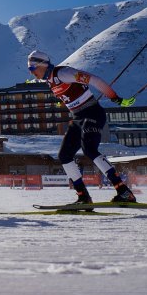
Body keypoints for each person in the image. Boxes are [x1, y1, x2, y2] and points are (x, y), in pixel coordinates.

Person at [27, 50, 137, 205]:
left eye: (32, 69)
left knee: (89, 150)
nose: (31, 73)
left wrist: (115, 98)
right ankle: (83, 196)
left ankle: (123, 191)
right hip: (78, 117)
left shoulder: (63, 73)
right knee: (64, 155)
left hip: (92, 112)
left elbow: (94, 80)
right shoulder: (50, 80)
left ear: (42, 65)